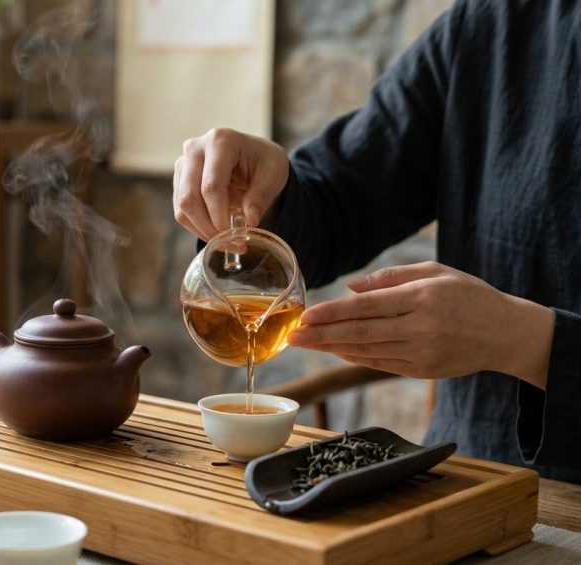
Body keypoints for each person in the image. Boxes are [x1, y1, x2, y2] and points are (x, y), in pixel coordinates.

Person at [172, 0, 580, 483]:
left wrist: (525, 341)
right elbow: (342, 201)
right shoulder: (494, 27)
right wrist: (263, 196)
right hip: (474, 483)